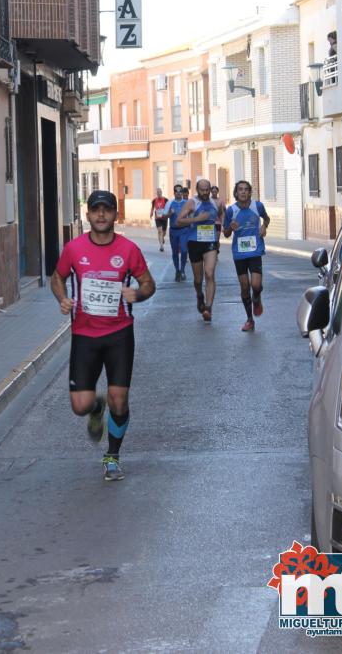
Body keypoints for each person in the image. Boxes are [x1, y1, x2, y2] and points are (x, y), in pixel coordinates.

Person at [51, 189, 156, 481]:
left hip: (119, 335)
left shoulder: (128, 250)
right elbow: (57, 277)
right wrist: (62, 299)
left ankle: (112, 455)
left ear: (115, 215)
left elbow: (149, 283)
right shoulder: (73, 249)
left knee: (119, 399)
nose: (101, 215)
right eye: (96, 210)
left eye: (107, 210)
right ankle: (96, 408)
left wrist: (137, 293)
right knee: (80, 406)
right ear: (88, 215)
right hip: (84, 336)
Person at [223, 180, 270, 332]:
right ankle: (250, 319)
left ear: (250, 192)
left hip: (255, 250)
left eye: (246, 190)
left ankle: (257, 297)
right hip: (239, 253)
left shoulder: (258, 206)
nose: (243, 192)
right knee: (244, 287)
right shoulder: (231, 211)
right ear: (236, 193)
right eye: (240, 190)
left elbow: (267, 218)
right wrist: (230, 227)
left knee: (256, 285)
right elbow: (226, 233)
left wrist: (264, 226)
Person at [176, 178, 224, 321]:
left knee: (210, 274)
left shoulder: (215, 203)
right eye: (202, 190)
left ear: (210, 190)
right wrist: (197, 219)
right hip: (194, 242)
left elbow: (221, 214)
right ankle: (199, 295)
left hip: (210, 242)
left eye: (207, 190)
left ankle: (208, 308)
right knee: (198, 279)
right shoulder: (192, 203)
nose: (205, 192)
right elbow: (178, 221)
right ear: (197, 190)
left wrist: (222, 228)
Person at [163, 185, 187, 280]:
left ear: (182, 193)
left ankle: (183, 270)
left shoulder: (186, 203)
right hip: (174, 231)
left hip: (184, 230)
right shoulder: (169, 203)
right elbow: (164, 217)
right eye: (176, 191)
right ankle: (177, 270)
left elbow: (192, 215)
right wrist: (170, 213)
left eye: (180, 191)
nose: (178, 193)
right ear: (174, 192)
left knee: (184, 250)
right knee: (175, 252)